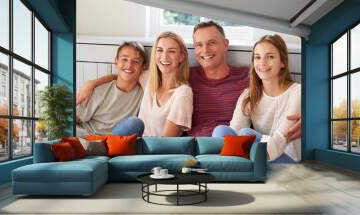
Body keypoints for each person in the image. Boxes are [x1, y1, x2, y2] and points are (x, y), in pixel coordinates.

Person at [76, 21, 301, 140]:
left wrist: (306, 115)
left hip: (226, 140)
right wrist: (91, 83)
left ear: (225, 44)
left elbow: (279, 89)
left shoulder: (248, 76)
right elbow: (129, 72)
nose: (204, 50)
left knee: (223, 132)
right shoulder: (183, 76)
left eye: (212, 43)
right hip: (194, 143)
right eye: (199, 45)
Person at [212, 34, 301, 163]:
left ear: (282, 62)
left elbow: (282, 137)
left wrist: (254, 154)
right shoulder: (248, 95)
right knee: (221, 131)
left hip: (285, 157)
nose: (262, 63)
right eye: (257, 57)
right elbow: (234, 132)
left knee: (245, 134)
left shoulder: (297, 92)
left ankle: (235, 168)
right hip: (257, 155)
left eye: (270, 57)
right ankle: (228, 169)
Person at [76, 41, 146, 137]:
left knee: (135, 123)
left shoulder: (143, 94)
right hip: (88, 138)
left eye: (136, 61)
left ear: (142, 67)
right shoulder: (99, 91)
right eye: (124, 59)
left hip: (114, 143)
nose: (129, 65)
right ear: (116, 62)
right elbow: (75, 120)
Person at [138, 31, 193, 136]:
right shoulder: (148, 79)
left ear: (181, 57)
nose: (164, 56)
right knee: (131, 124)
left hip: (156, 150)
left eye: (171, 51)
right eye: (160, 50)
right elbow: (125, 74)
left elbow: (166, 141)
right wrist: (96, 83)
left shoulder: (183, 93)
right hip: (136, 147)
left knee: (132, 124)